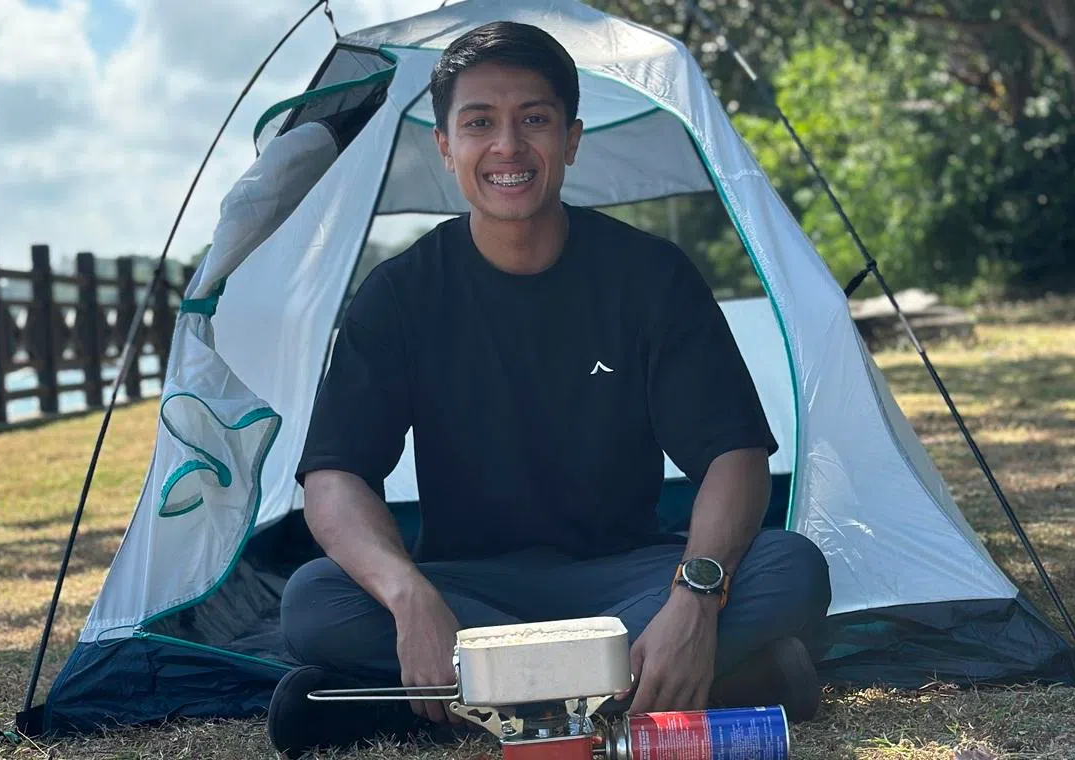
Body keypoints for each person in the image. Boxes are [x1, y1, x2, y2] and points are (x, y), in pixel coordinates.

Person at [266, 20, 831, 758]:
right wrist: (409, 597)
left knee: (792, 567)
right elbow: (333, 479)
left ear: (571, 140)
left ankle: (443, 705)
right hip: (469, 588)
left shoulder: (650, 277)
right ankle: (706, 683)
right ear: (446, 147)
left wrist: (695, 597)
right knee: (314, 600)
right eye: (479, 123)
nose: (508, 146)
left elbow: (736, 456)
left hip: (625, 578)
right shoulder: (399, 293)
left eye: (534, 119)